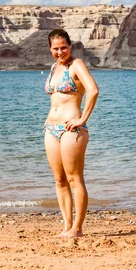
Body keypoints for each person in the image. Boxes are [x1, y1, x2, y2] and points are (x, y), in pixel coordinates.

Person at [43, 29, 99, 238]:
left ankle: (77, 228)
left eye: (63, 47)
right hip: (51, 128)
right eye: (55, 48)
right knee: (59, 179)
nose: (60, 52)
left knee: (75, 178)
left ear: (70, 46)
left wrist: (83, 119)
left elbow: (93, 90)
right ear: (50, 49)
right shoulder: (53, 67)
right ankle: (66, 226)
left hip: (72, 129)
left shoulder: (76, 64)